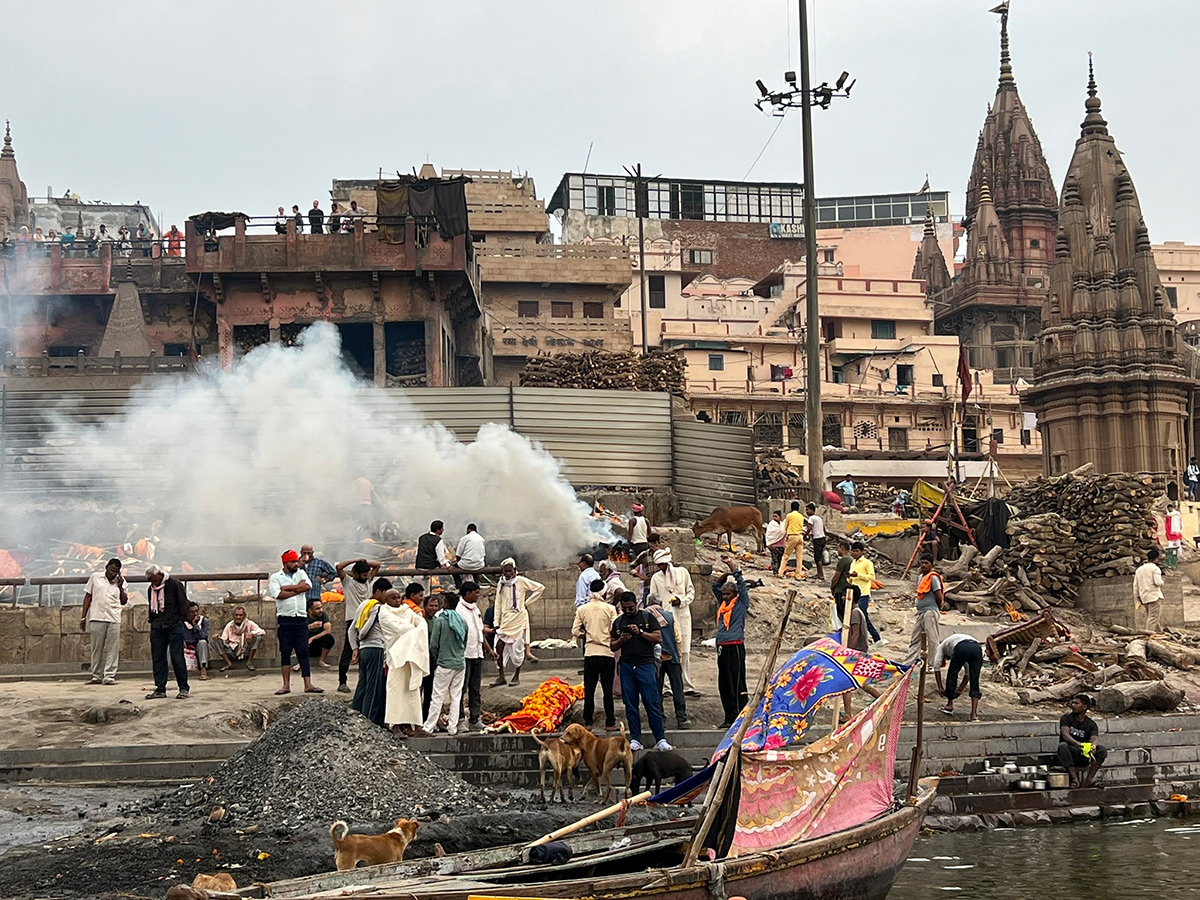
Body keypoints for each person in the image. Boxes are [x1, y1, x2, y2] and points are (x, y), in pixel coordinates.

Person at [610, 591, 672, 752]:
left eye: (630, 608)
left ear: (636, 604)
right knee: (630, 704)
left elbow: (658, 637)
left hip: (646, 664)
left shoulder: (647, 618)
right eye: (624, 608)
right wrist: (621, 640)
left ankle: (660, 738)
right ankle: (635, 738)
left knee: (652, 702)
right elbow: (612, 645)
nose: (627, 611)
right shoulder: (618, 622)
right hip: (627, 666)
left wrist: (640, 633)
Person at [268, 549, 323, 696]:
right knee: (285, 651)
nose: (296, 564)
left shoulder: (301, 573)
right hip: (285, 618)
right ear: (285, 563)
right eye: (293, 562)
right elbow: (278, 594)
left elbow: (307, 586)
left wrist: (288, 588)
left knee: (303, 651)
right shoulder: (275, 577)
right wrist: (297, 589)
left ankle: (308, 684)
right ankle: (286, 685)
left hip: (300, 618)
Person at [378, 588, 430, 736]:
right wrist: (416, 629)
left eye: (398, 598)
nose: (397, 601)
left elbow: (421, 623)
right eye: (393, 598)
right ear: (386, 600)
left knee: (413, 691)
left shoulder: (406, 610)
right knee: (396, 691)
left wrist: (416, 629)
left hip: (412, 657)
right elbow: (399, 629)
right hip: (397, 658)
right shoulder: (384, 613)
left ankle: (415, 726)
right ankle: (395, 725)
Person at [649, 548, 698, 696]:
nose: (662, 567)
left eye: (664, 564)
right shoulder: (655, 578)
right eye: (659, 565)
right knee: (666, 652)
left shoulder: (683, 572)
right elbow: (653, 598)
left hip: (682, 616)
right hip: (665, 619)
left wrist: (681, 601)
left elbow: (691, 592)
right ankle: (666, 688)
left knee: (684, 651)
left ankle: (687, 685)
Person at [573, 580, 618, 732]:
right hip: (607, 653)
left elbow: (575, 630)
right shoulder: (610, 608)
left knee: (589, 690)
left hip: (590, 653)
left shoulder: (582, 609)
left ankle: (588, 722)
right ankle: (610, 722)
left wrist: (585, 636)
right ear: (604, 592)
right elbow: (615, 629)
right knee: (607, 690)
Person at [492, 558, 544, 686]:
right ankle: (501, 676)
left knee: (517, 648)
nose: (508, 574)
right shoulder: (501, 584)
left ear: (515, 571)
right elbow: (498, 604)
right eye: (505, 572)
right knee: (498, 646)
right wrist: (496, 622)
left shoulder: (521, 581)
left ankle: (516, 675)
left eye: (510, 571)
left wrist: (526, 603)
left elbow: (540, 588)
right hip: (505, 619)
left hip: (519, 618)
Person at [712, 556, 750, 729]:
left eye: (728, 594)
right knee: (724, 684)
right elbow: (715, 586)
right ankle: (729, 717)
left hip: (735, 645)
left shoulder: (740, 603)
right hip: (722, 646)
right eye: (724, 594)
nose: (725, 597)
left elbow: (741, 584)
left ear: (735, 594)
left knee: (737, 682)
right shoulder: (722, 605)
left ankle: (741, 717)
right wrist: (725, 574)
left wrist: (732, 566)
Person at [422, 592, 468, 735]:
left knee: (437, 696)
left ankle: (428, 727)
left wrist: (438, 657)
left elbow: (434, 644)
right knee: (456, 696)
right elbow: (465, 642)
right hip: (460, 664)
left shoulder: (440, 621)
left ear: (445, 604)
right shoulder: (462, 621)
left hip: (444, 664)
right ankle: (453, 728)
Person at [334, 558, 382, 693]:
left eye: (367, 574)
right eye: (364, 574)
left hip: (367, 619)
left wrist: (364, 562)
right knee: (348, 651)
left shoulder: (368, 581)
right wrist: (355, 560)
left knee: (364, 650)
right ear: (355, 573)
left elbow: (377, 565)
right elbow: (339, 566)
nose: (366, 577)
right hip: (353, 619)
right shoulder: (348, 582)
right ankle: (342, 682)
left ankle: (364, 680)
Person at [80, 558, 129, 685]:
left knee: (112, 648)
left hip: (114, 617)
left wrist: (120, 586)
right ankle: (96, 675)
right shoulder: (95, 577)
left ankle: (109, 676)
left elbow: (124, 601)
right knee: (97, 648)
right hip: (97, 616)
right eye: (111, 570)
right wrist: (83, 617)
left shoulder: (121, 582)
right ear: (106, 567)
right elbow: (88, 597)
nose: (113, 574)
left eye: (116, 572)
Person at [145, 564, 189, 698]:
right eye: (150, 580)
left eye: (153, 579)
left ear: (159, 575)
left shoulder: (175, 584)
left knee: (177, 657)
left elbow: (183, 603)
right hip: (157, 626)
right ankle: (160, 688)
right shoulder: (151, 589)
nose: (153, 582)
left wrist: (181, 620)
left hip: (174, 624)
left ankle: (183, 687)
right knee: (158, 658)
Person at [349, 583, 390, 727]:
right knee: (373, 687)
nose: (387, 596)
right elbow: (366, 627)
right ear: (378, 591)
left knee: (363, 683)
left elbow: (351, 630)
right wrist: (361, 637)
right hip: (375, 648)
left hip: (364, 650)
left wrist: (356, 648)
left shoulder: (363, 605)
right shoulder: (377, 607)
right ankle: (367, 721)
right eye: (386, 592)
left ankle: (356, 714)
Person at [647, 600, 690, 729]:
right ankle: (681, 719)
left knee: (657, 691)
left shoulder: (646, 616)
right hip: (672, 656)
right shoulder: (669, 616)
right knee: (677, 689)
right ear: (660, 602)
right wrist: (679, 657)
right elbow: (678, 638)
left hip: (654, 658)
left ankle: (660, 720)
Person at [459, 581, 493, 731]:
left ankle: (475, 718)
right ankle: (460, 720)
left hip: (477, 654)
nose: (478, 595)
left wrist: (489, 650)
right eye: (476, 592)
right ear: (467, 594)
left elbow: (480, 632)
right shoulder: (459, 610)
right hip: (465, 655)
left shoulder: (475, 609)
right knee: (461, 689)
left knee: (475, 689)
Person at [1058, 693, 1108, 787]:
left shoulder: (1091, 724)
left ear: (1084, 706)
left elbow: (1094, 738)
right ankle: (1075, 779)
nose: (1073, 705)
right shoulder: (1066, 718)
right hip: (1070, 752)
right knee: (1063, 746)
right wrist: (1077, 744)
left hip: (1083, 754)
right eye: (1072, 703)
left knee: (1102, 750)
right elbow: (1065, 734)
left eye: (1076, 703)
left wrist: (1093, 746)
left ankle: (1089, 779)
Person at [906, 555, 945, 665]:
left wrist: (937, 606)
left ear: (932, 565)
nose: (923, 565)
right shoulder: (920, 577)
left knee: (932, 639)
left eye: (926, 563)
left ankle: (933, 664)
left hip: (930, 611)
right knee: (915, 638)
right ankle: (909, 663)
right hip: (921, 612)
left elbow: (939, 595)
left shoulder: (933, 577)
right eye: (922, 562)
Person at [835, 592, 869, 718]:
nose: (842, 598)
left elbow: (855, 633)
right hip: (858, 650)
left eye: (844, 595)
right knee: (859, 682)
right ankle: (882, 698)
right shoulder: (856, 611)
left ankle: (848, 713)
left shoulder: (855, 612)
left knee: (847, 682)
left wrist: (849, 651)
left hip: (857, 650)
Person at [934, 633, 983, 720]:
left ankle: (949, 705)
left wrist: (940, 687)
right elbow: (968, 674)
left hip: (962, 646)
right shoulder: (953, 643)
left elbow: (936, 667)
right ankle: (974, 714)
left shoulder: (941, 647)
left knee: (952, 674)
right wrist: (960, 689)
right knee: (975, 679)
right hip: (977, 647)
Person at [849, 542, 883, 645]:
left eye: (857, 551)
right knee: (856, 617)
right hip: (854, 593)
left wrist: (858, 575)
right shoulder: (853, 563)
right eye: (853, 551)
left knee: (862, 615)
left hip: (863, 593)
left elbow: (871, 577)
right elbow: (852, 579)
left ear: (862, 552)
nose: (855, 553)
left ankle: (876, 637)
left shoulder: (867, 563)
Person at [212, 606, 265, 671]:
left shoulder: (249, 623)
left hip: (245, 649)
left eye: (240, 615)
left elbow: (262, 631)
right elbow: (224, 639)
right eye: (236, 615)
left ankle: (249, 662)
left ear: (244, 616)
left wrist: (252, 633)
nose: (238, 617)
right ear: (233, 616)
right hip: (232, 650)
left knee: (258, 637)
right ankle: (229, 663)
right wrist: (217, 636)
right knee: (215, 641)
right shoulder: (230, 625)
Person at [420, 593, 442, 719]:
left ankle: (426, 717)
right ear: (425, 606)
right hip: (421, 658)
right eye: (431, 606)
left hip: (432, 660)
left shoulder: (436, 621)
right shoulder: (420, 620)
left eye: (436, 606)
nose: (433, 608)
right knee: (418, 690)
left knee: (430, 691)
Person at [1134, 548, 1165, 635]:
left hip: (1144, 596)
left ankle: (1160, 633)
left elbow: (1135, 585)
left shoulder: (1139, 570)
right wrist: (1163, 581)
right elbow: (1158, 582)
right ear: (1156, 559)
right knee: (1153, 617)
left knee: (1151, 616)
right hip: (1154, 596)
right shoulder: (1155, 568)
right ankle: (1148, 635)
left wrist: (1137, 596)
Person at [300, 544, 336, 612]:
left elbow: (333, 573)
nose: (306, 555)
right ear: (301, 552)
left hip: (314, 596)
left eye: (309, 553)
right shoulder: (297, 563)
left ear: (313, 553)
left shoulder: (319, 562)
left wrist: (324, 580)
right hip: (300, 597)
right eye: (304, 553)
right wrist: (300, 564)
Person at [631, 532, 664, 605]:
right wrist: (640, 576)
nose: (652, 545)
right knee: (648, 610)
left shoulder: (664, 554)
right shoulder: (644, 555)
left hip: (661, 587)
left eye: (655, 543)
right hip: (648, 587)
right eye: (651, 543)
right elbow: (631, 567)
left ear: (658, 543)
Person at [415, 521, 451, 585]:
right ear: (438, 530)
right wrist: (448, 565)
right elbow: (441, 558)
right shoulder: (438, 540)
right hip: (430, 566)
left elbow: (417, 553)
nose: (443, 529)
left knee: (422, 587)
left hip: (419, 566)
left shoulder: (422, 537)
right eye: (442, 528)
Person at [184, 601, 211, 681]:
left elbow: (204, 636)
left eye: (196, 611)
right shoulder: (182, 622)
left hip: (199, 647)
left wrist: (195, 626)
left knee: (202, 642)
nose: (195, 614)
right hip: (187, 648)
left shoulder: (204, 622)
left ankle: (203, 670)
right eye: (192, 612)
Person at [779, 500, 806, 577]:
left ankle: (780, 572)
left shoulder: (789, 516)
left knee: (786, 556)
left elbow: (786, 527)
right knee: (799, 557)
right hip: (800, 536)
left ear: (791, 508)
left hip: (792, 536)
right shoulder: (801, 516)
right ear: (798, 508)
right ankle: (798, 574)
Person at [305, 599, 335, 668]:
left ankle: (321, 661)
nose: (321, 610)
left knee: (329, 638)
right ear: (310, 610)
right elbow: (298, 630)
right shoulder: (305, 617)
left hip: (318, 642)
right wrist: (310, 626)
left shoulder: (323, 615)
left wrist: (313, 638)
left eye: (321, 607)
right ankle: (301, 662)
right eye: (317, 609)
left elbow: (328, 630)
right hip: (307, 643)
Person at [805, 502, 827, 580]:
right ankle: (819, 573)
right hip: (822, 538)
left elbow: (809, 528)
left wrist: (805, 535)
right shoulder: (819, 518)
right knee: (819, 557)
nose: (806, 512)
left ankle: (821, 575)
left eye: (807, 510)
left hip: (817, 539)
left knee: (818, 558)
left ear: (812, 510)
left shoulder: (811, 518)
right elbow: (824, 529)